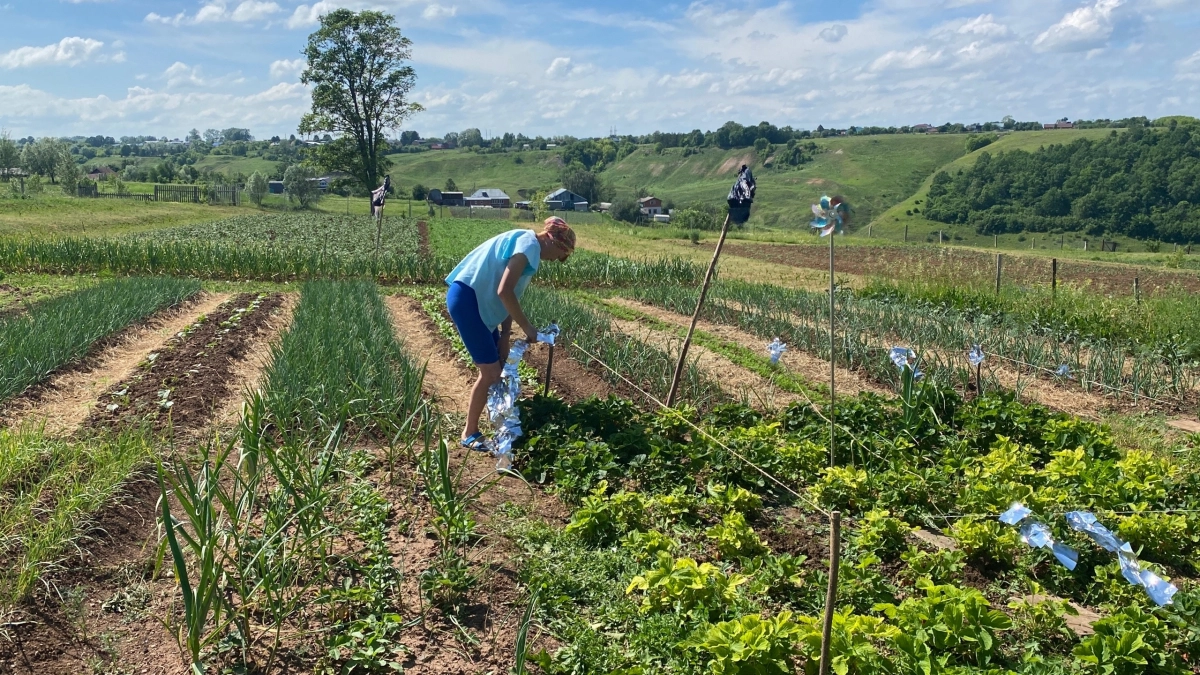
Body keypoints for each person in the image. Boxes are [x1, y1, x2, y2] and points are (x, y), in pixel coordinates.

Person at [445, 217, 575, 450]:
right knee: (491, 373)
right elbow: (504, 291)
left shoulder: (525, 242)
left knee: (498, 367)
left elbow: (507, 293)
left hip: (478, 302)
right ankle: (469, 433)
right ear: (552, 241)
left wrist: (505, 334)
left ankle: (493, 425)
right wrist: (528, 328)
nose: (556, 259)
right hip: (469, 301)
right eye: (560, 254)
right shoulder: (529, 248)